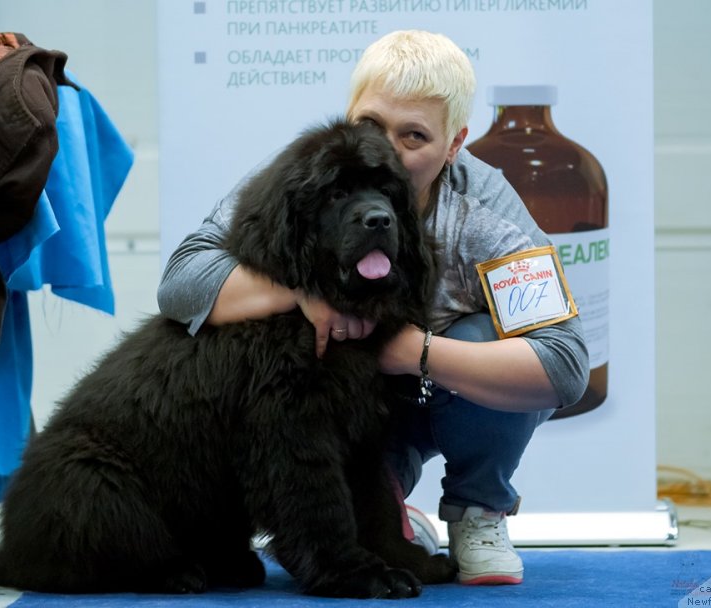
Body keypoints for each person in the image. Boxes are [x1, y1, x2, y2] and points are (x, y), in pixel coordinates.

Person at [157, 30, 589, 586]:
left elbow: (565, 364)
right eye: (371, 127)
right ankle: (393, 509)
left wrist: (413, 351)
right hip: (349, 417)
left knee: (487, 334)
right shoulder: (306, 173)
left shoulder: (485, 211)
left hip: (441, 388)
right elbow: (181, 281)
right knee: (359, 532)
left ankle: (479, 510)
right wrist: (302, 291)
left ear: (454, 145)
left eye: (413, 136)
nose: (386, 150)